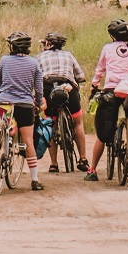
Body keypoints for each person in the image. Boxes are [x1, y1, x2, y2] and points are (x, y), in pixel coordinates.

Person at [86, 19, 128, 182]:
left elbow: (100, 70)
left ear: (113, 35)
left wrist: (94, 86)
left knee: (101, 135)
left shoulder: (107, 48)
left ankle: (92, 170)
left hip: (111, 92)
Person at [0, 31, 46, 191]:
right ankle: (34, 179)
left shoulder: (4, 60)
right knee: (28, 141)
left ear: (12, 46)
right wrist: (39, 101)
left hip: (5, 104)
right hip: (25, 106)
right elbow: (39, 88)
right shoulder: (34, 63)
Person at [37, 31, 89, 173]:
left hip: (48, 89)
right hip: (68, 88)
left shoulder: (40, 57)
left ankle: (53, 164)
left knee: (51, 124)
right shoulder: (69, 55)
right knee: (78, 122)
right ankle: (83, 158)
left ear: (48, 44)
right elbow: (80, 75)